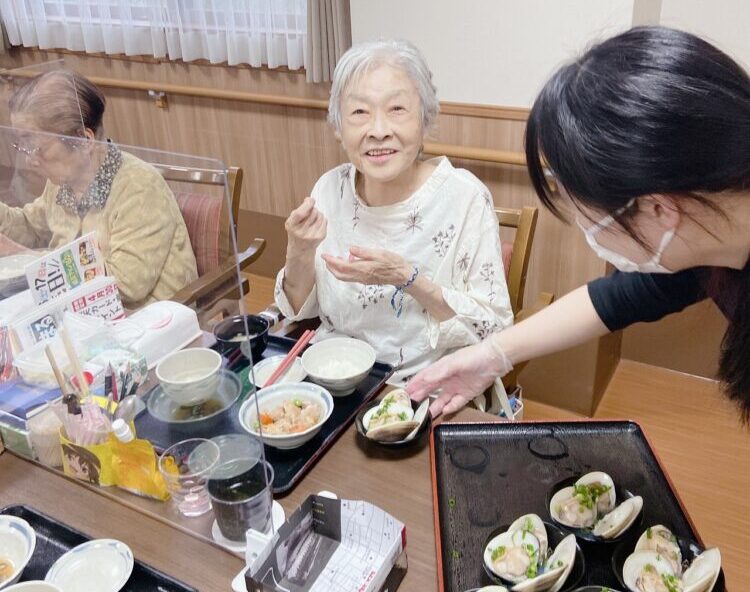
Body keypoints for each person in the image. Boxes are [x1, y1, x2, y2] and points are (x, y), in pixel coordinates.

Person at [407, 26, 750, 421]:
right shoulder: (705, 230)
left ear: (659, 210)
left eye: (587, 216)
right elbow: (617, 298)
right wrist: (492, 355)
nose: (587, 232)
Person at [274, 40, 513, 383]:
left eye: (397, 109)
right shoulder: (330, 189)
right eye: (359, 112)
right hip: (333, 381)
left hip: (425, 388)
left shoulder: (464, 198)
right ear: (338, 128)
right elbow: (299, 309)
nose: (378, 130)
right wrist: (298, 251)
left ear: (425, 119)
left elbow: (494, 328)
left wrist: (407, 278)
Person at [0, 70, 198, 308]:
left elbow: (127, 284)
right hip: (78, 312)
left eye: (36, 146)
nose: (30, 160)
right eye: (23, 145)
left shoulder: (139, 187)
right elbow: (31, 227)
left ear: (84, 140)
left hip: (144, 320)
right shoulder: (62, 183)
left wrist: (27, 261)